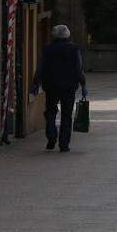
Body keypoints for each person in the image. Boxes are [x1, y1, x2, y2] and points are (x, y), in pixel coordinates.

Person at [30, 24, 87, 152]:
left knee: (50, 111)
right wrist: (83, 84)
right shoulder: (74, 49)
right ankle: (64, 144)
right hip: (69, 87)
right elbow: (79, 68)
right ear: (68, 35)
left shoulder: (47, 49)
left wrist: (36, 83)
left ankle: (51, 135)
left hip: (51, 86)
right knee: (66, 115)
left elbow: (41, 67)